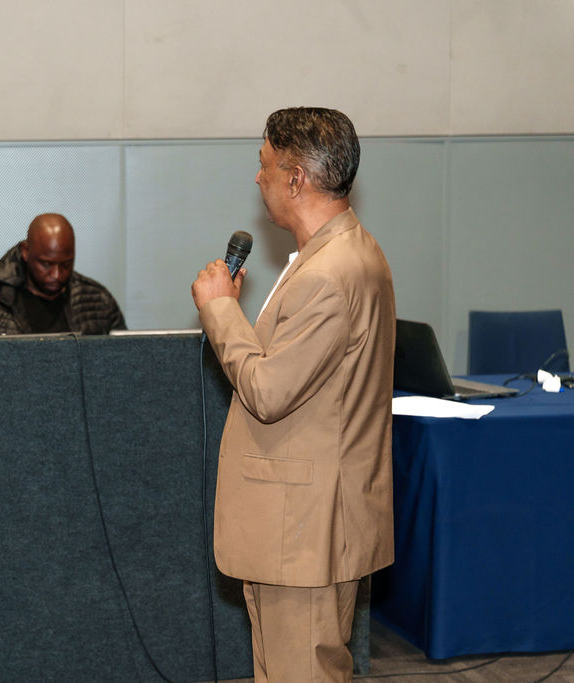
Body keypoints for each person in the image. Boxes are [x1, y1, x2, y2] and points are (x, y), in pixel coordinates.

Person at [191, 107, 395, 682]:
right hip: (308, 520)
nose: (257, 178)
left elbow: (268, 390)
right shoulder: (345, 251)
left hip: (305, 526)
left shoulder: (328, 274)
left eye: (264, 165)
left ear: (296, 177)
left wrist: (220, 310)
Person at [0, 213, 126, 335]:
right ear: (26, 252)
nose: (57, 275)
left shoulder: (98, 300)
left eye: (66, 264)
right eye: (46, 264)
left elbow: (126, 362)